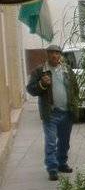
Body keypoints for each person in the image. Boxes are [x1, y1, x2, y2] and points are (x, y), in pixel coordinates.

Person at [25, 44, 79, 181]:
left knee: (64, 142)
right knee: (50, 142)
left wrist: (74, 104)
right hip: (51, 113)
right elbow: (30, 89)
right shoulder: (40, 71)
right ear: (47, 55)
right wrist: (42, 84)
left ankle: (62, 163)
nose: (54, 55)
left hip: (66, 112)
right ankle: (52, 169)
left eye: (57, 53)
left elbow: (75, 88)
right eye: (51, 53)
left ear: (60, 55)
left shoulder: (66, 70)